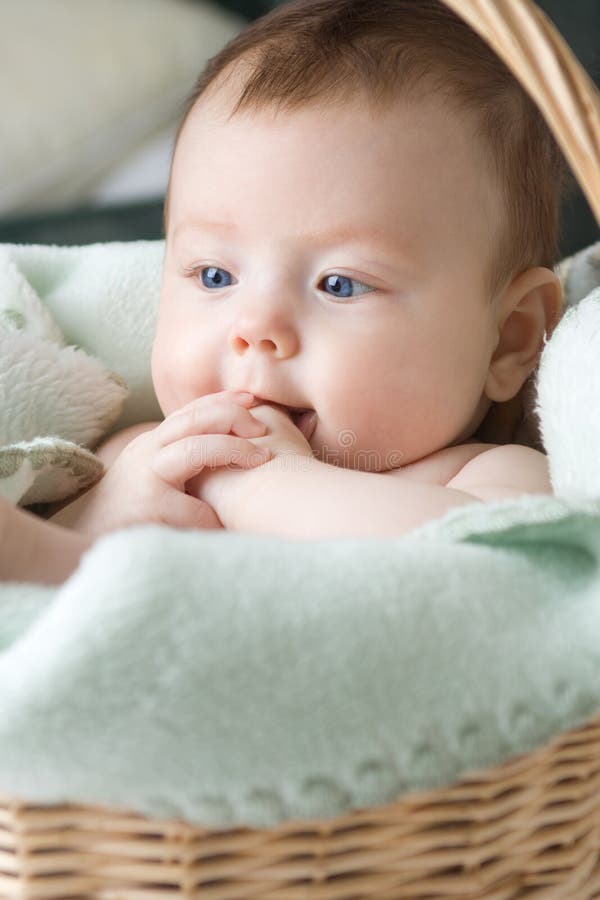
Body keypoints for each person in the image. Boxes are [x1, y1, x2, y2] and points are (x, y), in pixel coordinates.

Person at [5, 0, 571, 583]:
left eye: (340, 284)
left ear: (509, 339)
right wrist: (104, 516)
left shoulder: (488, 478)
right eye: (214, 276)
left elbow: (497, 574)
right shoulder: (145, 452)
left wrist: (263, 486)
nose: (256, 329)